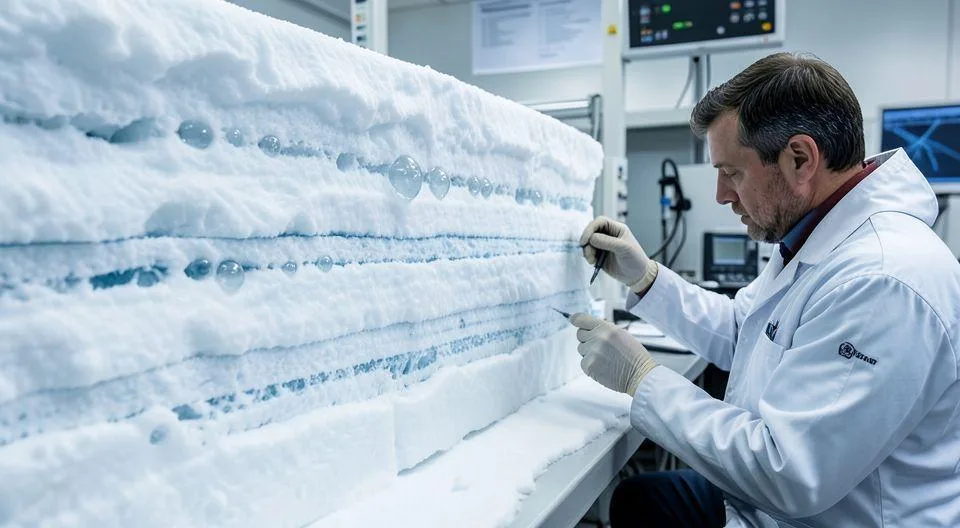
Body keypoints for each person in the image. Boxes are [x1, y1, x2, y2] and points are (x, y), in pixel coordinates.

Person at [573, 52, 960, 527]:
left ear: (800, 159)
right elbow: (745, 330)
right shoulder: (816, 235)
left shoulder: (882, 280)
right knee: (642, 498)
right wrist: (646, 278)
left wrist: (642, 377)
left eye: (732, 172)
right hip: (773, 505)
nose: (721, 194)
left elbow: (790, 471)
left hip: (821, 513)